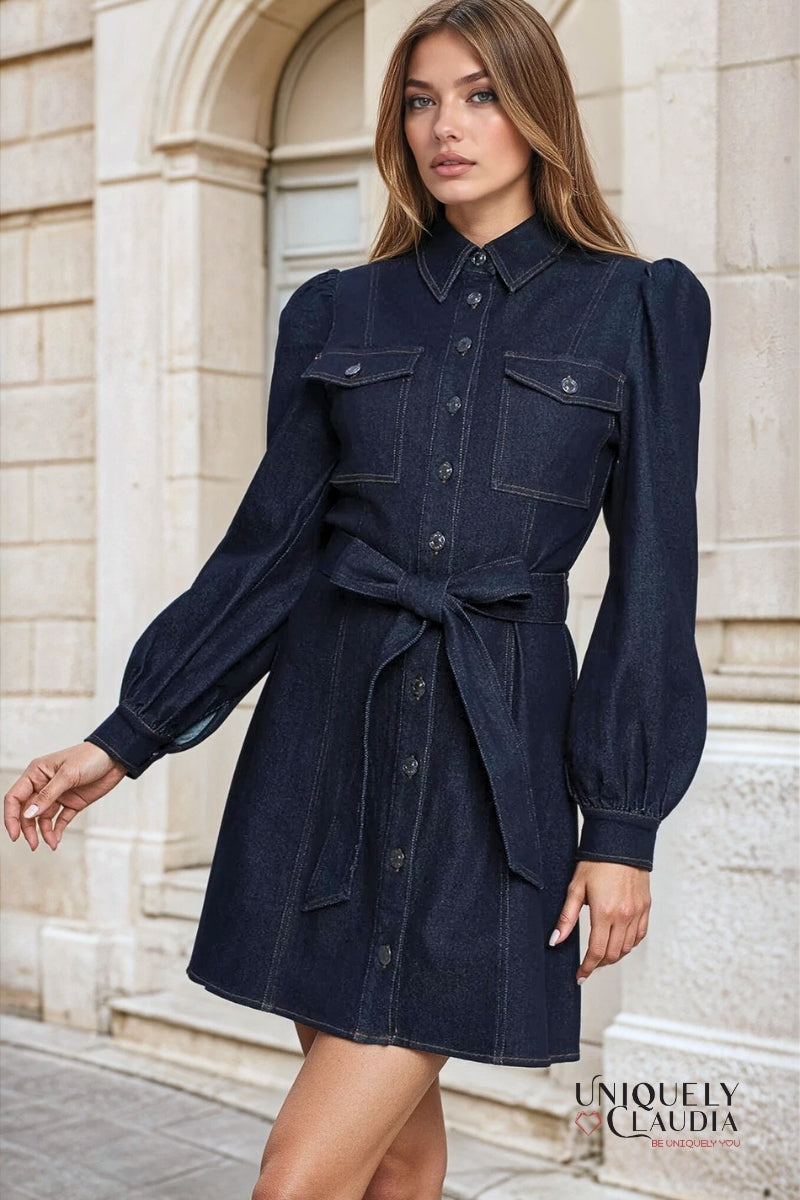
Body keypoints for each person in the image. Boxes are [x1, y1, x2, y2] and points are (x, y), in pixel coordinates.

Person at [3, 1, 712, 1197]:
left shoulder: (634, 307)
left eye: (481, 94)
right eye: (421, 99)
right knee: (392, 1163)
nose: (448, 126)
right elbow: (268, 559)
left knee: (297, 1180)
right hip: (321, 759)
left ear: (538, 109)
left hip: (496, 781)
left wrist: (623, 828)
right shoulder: (335, 310)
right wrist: (125, 738)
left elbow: (654, 579)